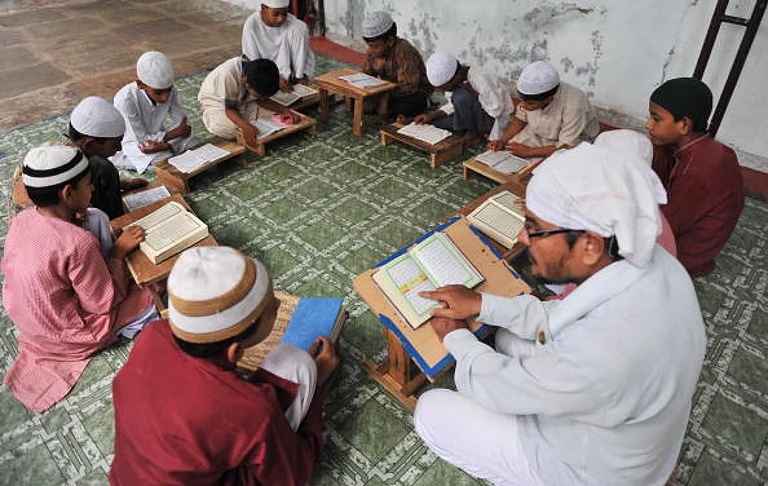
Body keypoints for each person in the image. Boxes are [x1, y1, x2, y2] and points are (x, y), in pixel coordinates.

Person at [413, 143, 707, 485]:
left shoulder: (602, 350)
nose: (523, 236)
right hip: (633, 436)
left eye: (534, 227)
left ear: (590, 244)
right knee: (507, 334)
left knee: (431, 410)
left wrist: (456, 337)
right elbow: (562, 315)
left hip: (587, 469)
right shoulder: (658, 265)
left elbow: (503, 389)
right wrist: (483, 305)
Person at [111, 246, 340, 485]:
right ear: (235, 350)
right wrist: (317, 389)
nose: (279, 305)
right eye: (272, 308)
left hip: (125, 478)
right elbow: (292, 473)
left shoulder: (153, 334)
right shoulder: (252, 408)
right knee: (298, 363)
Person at [2, 145, 157, 413]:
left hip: (31, 322)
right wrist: (118, 252)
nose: (93, 189)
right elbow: (102, 303)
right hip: (67, 332)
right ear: (67, 193)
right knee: (152, 292)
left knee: (95, 219)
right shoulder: (78, 243)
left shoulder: (22, 220)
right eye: (88, 185)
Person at [646, 77, 744, 277]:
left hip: (687, 254)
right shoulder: (710, 149)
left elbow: (667, 225)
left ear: (684, 125)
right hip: (685, 225)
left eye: (656, 119)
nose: (648, 125)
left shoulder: (695, 170)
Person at [489, 60, 599, 158]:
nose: (522, 105)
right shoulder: (533, 96)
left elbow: (566, 145)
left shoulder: (574, 104)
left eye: (530, 103)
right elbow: (520, 118)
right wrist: (503, 140)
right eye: (521, 100)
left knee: (549, 169)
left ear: (549, 99)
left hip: (574, 142)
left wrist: (529, 152)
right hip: (539, 134)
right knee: (507, 151)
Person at [113, 51, 196, 174]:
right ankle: (129, 162)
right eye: (158, 93)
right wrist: (171, 137)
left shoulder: (169, 90)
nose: (165, 97)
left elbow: (183, 125)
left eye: (168, 90)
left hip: (161, 140)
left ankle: (168, 150)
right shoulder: (125, 100)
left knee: (194, 144)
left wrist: (167, 143)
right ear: (141, 85)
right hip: (135, 146)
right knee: (166, 162)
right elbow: (141, 141)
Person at [68, 96, 148, 219]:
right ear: (89, 143)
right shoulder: (103, 168)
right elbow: (115, 219)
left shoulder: (58, 150)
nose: (120, 148)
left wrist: (119, 185)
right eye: (115, 144)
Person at [415, 51, 514, 146]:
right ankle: (466, 130)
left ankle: (473, 134)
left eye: (444, 88)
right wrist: (432, 116)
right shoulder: (458, 77)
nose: (442, 92)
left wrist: (475, 95)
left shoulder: (480, 79)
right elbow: (452, 105)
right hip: (472, 117)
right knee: (434, 123)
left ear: (454, 79)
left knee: (460, 96)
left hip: (490, 121)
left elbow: (496, 110)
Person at [198, 57, 298, 148]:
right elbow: (229, 109)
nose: (263, 98)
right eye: (259, 96)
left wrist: (284, 110)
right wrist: (245, 127)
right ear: (245, 82)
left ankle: (244, 114)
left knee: (277, 115)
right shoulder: (228, 75)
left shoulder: (257, 70)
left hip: (242, 101)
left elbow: (261, 100)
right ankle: (207, 111)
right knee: (230, 128)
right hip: (217, 101)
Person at [361, 11, 432, 119]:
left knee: (405, 107)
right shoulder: (372, 52)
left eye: (375, 46)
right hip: (387, 90)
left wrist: (384, 95)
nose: (371, 50)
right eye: (369, 46)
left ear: (390, 41)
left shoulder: (404, 50)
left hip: (411, 93)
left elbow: (409, 86)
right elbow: (367, 75)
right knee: (357, 100)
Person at [242, 0, 315, 93]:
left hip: (292, 77)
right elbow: (253, 62)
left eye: (284, 14)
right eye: (276, 14)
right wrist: (273, 78)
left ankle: (297, 80)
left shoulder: (295, 25)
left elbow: (304, 56)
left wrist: (302, 76)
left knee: (300, 28)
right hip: (265, 75)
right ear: (264, 8)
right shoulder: (252, 25)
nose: (281, 19)